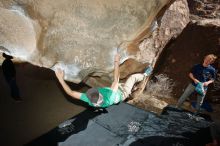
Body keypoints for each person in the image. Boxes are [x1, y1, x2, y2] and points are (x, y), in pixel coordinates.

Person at [55, 53, 152, 108]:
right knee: (132, 78)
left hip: (112, 92)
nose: (95, 90)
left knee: (117, 85)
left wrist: (60, 79)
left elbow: (71, 93)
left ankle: (132, 88)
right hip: (122, 93)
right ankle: (145, 75)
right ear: (100, 95)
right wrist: (116, 61)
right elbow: (116, 78)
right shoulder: (109, 96)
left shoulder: (90, 100)